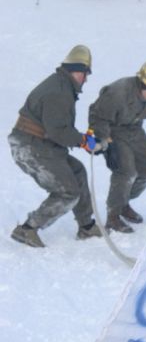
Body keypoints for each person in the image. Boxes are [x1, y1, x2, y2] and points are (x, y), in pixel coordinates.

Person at [8, 45, 104, 248]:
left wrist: (81, 139)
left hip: (42, 144)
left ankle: (86, 226)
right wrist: (83, 141)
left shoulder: (62, 86)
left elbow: (57, 128)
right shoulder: (59, 91)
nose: (85, 79)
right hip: (30, 146)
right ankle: (27, 229)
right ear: (75, 71)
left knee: (77, 170)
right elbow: (58, 131)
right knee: (67, 192)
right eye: (84, 74)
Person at [88, 59, 146, 233]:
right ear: (141, 85)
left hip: (134, 128)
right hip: (113, 129)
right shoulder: (119, 92)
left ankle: (124, 202)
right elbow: (97, 117)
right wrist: (108, 145)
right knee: (126, 171)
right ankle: (113, 215)